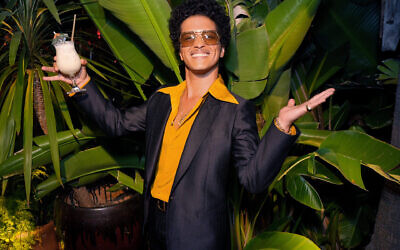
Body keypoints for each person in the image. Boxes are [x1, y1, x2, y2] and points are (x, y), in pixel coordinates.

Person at [42, 0, 334, 249]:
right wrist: (79, 82)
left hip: (199, 237)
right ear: (180, 51)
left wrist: (281, 126)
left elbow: (253, 180)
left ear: (221, 50)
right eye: (188, 38)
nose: (198, 43)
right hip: (153, 226)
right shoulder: (162, 99)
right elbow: (115, 123)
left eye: (209, 37)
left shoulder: (235, 110)